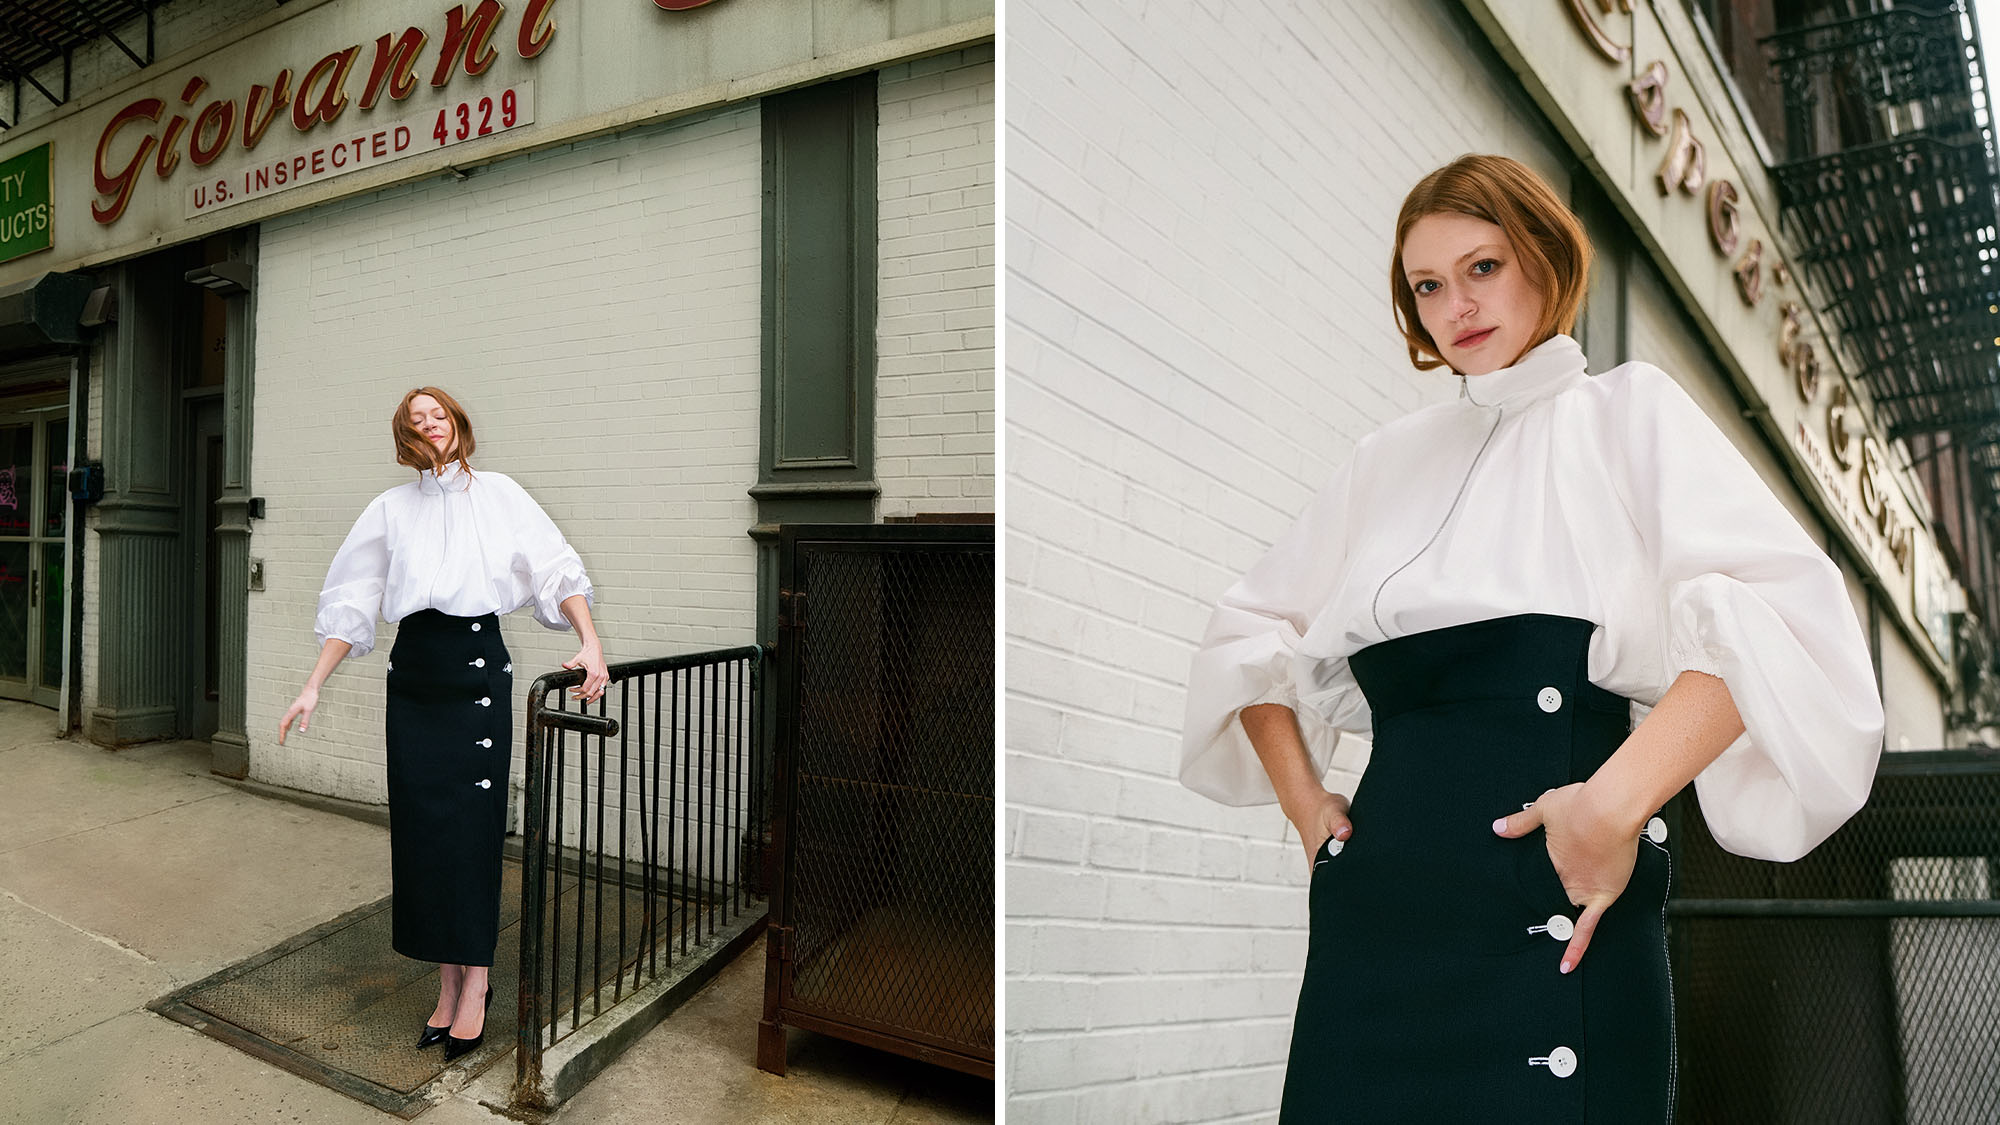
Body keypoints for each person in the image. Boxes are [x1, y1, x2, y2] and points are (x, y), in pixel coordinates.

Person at [1180, 154, 1884, 1121]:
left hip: (1558, 891)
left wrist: (1614, 805)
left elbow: (1778, 613)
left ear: (1544, 258)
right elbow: (1249, 631)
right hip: (1381, 912)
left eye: (1483, 266)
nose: (1456, 305)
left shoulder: (1627, 412)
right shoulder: (1383, 462)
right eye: (1428, 285)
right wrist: (1309, 810)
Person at [278, 386, 610, 1063]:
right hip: (416, 676)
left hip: (475, 671)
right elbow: (355, 597)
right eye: (415, 419)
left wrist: (591, 641)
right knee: (425, 836)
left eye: (438, 413)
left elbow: (552, 563)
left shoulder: (501, 494)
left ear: (457, 422)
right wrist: (314, 684)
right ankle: (447, 980)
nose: (429, 424)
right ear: (405, 437)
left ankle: (476, 981)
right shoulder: (389, 509)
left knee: (471, 832)